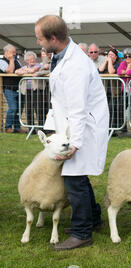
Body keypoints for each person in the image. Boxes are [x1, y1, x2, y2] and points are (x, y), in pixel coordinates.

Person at [34, 15, 109, 251]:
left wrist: (74, 143)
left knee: (74, 180)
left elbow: (78, 108)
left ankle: (81, 233)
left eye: (40, 39)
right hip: (73, 123)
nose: (38, 44)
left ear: (53, 38)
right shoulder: (62, 56)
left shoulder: (76, 65)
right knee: (81, 176)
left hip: (83, 126)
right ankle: (94, 219)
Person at [0, 44, 26, 133]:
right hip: (9, 88)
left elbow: (22, 69)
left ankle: (17, 127)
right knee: (13, 108)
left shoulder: (17, 60)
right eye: (13, 52)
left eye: (15, 52)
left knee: (19, 109)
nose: (15, 54)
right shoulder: (1, 61)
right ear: (6, 52)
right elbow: (10, 70)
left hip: (20, 88)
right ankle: (8, 127)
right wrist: (11, 60)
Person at [15, 51, 41, 128]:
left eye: (33, 59)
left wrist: (26, 71)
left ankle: (41, 127)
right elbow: (16, 71)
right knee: (29, 109)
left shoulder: (39, 65)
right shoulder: (25, 67)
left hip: (36, 90)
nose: (31, 61)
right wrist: (24, 71)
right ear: (26, 61)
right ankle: (30, 128)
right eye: (29, 59)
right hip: (27, 90)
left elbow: (33, 70)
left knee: (39, 109)